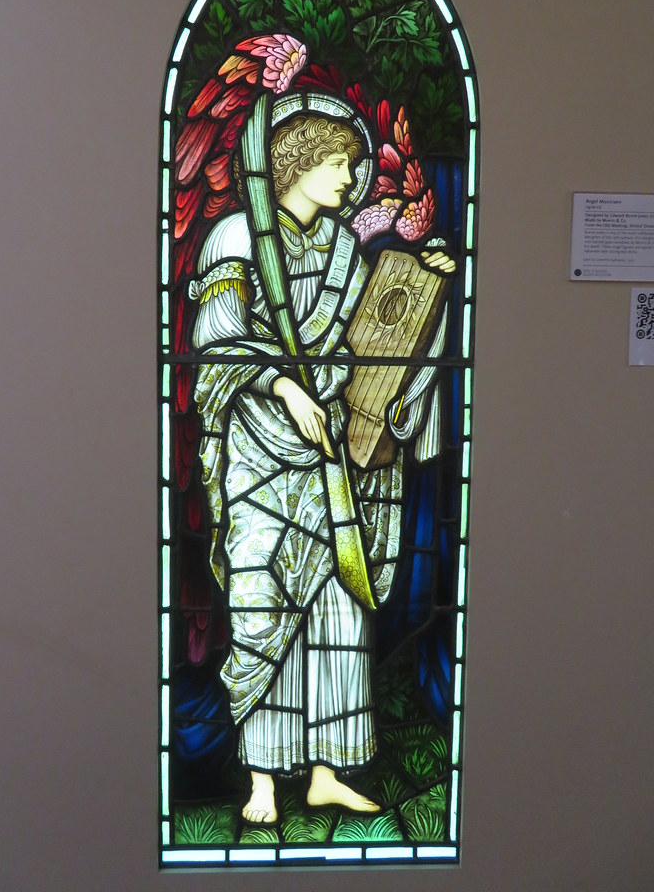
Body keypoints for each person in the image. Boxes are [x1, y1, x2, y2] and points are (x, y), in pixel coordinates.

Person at [189, 110, 446, 824]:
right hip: (259, 448)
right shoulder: (236, 236)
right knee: (264, 600)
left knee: (333, 607)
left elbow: (371, 338)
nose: (353, 180)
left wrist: (422, 281)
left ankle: (327, 770)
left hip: (326, 447)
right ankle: (263, 780)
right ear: (300, 163)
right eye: (341, 166)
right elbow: (217, 339)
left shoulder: (341, 249)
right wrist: (281, 385)